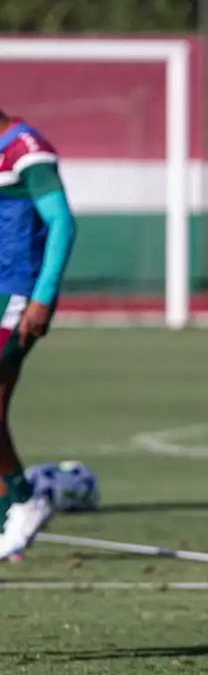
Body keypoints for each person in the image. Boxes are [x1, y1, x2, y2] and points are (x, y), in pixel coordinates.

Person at [0, 111, 77, 561]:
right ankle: (12, 511)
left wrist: (42, 297)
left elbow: (62, 223)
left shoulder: (25, 148)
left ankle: (25, 500)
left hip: (15, 294)